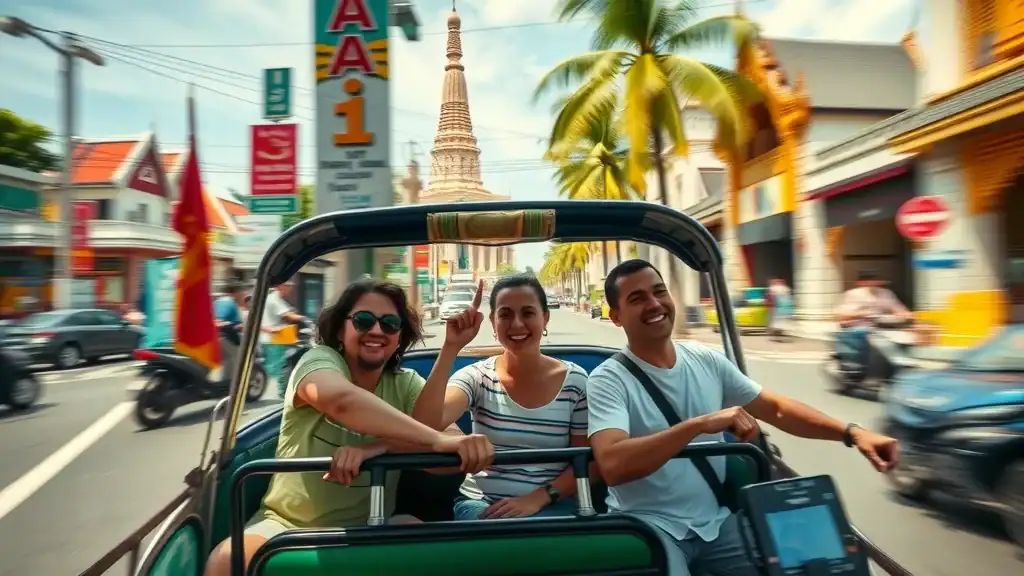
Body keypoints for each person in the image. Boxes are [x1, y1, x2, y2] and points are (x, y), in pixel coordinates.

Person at [586, 259, 899, 576]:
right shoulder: (608, 380)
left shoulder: (704, 359)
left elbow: (775, 409)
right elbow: (613, 464)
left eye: (659, 292)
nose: (654, 304)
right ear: (616, 317)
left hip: (717, 523)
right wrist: (700, 425)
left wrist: (853, 433)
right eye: (637, 299)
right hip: (649, 526)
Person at [204, 278, 495, 576]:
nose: (376, 331)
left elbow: (447, 453)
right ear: (341, 330)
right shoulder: (319, 361)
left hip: (373, 525)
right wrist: (433, 439)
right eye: (364, 320)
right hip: (288, 525)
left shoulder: (405, 383)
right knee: (226, 561)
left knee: (421, 538)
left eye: (390, 324)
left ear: (398, 338)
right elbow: (340, 401)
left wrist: (379, 446)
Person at [430, 275, 592, 520]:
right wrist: (451, 346)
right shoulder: (477, 377)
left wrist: (538, 499)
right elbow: (426, 425)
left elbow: (586, 460)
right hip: (482, 504)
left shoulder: (576, 382)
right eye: (505, 315)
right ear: (493, 323)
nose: (517, 324)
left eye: (528, 313)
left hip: (553, 504)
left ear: (545, 317)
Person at [836, 270, 912, 371]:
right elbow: (842, 315)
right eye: (868, 280)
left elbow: (898, 309)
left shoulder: (886, 293)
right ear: (860, 283)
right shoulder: (853, 294)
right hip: (859, 327)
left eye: (875, 280)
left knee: (904, 336)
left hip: (883, 326)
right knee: (879, 338)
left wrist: (906, 315)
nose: (873, 283)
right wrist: (864, 314)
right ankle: (900, 361)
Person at [261, 279, 309, 396]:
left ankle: (283, 392)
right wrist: (304, 319)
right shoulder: (274, 299)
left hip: (279, 337)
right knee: (281, 369)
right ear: (281, 286)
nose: (291, 289)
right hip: (274, 338)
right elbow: (287, 316)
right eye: (289, 286)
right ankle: (281, 396)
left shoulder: (277, 299)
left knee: (281, 367)